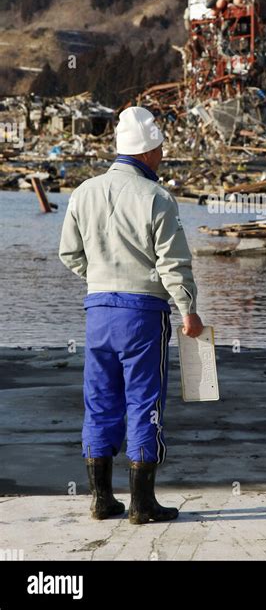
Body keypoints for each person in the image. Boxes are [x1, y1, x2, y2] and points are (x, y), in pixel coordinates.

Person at [59, 106, 203, 525]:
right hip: (142, 313)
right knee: (145, 402)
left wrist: (100, 276)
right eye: (158, 149)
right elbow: (174, 262)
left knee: (99, 401)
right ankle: (142, 504)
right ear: (147, 152)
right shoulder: (157, 198)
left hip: (98, 310)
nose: (161, 156)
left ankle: (101, 499)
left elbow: (69, 253)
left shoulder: (83, 192)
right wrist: (188, 309)